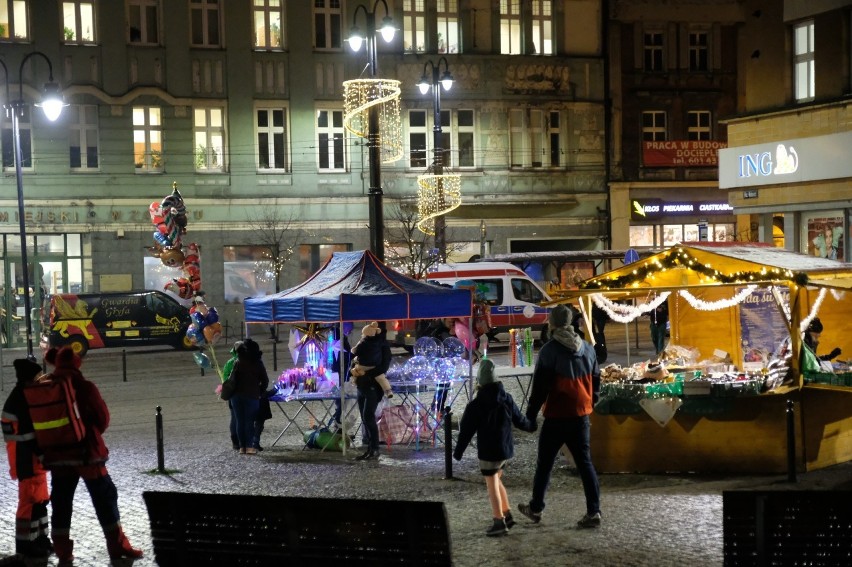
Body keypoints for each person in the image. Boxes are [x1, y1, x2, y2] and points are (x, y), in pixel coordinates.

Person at [43, 346, 143, 564]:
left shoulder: (47, 386)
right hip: (88, 455)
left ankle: (63, 552)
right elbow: (102, 418)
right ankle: (117, 547)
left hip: (59, 457)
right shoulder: (85, 386)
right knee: (105, 499)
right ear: (76, 363)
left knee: (61, 505)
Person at [519, 304, 602, 529]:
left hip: (556, 416)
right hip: (580, 415)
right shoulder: (588, 348)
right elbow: (596, 381)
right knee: (585, 464)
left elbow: (540, 390)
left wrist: (530, 417)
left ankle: (536, 508)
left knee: (544, 464)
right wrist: (591, 402)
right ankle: (594, 511)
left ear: (553, 323)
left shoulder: (549, 351)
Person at [453, 359, 534, 537]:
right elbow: (520, 420)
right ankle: (507, 514)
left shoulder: (475, 405)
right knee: (496, 481)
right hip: (505, 449)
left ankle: (499, 521)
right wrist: (531, 426)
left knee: (492, 485)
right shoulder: (507, 399)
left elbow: (466, 431)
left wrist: (458, 452)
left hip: (489, 451)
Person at [2, 358, 53, 559]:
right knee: (29, 502)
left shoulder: (22, 396)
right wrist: (41, 453)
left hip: (31, 461)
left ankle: (40, 539)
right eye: (38, 376)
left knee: (40, 500)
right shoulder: (22, 400)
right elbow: (28, 435)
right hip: (26, 461)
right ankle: (25, 544)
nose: (40, 379)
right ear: (29, 379)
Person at [354, 321, 391, 461]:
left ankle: (374, 448)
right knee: (365, 418)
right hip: (361, 384)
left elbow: (383, 367)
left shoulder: (382, 345)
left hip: (372, 386)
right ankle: (370, 448)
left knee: (369, 416)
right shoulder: (365, 341)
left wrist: (367, 372)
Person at [229, 338, 269, 455]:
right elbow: (265, 381)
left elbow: (232, 378)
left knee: (240, 421)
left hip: (236, 396)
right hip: (251, 396)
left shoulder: (238, 362)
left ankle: (242, 447)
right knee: (249, 422)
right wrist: (260, 392)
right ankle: (249, 447)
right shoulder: (258, 363)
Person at [350, 322, 393, 398]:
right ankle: (388, 390)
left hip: (366, 376)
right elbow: (386, 361)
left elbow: (356, 352)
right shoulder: (380, 343)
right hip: (374, 370)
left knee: (356, 370)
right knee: (381, 378)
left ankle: (354, 381)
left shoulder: (363, 342)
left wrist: (354, 351)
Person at [222, 341, 242, 450]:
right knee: (243, 418)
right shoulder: (247, 361)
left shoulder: (229, 363)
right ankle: (243, 441)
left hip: (233, 394)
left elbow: (225, 379)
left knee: (234, 418)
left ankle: (235, 441)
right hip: (243, 394)